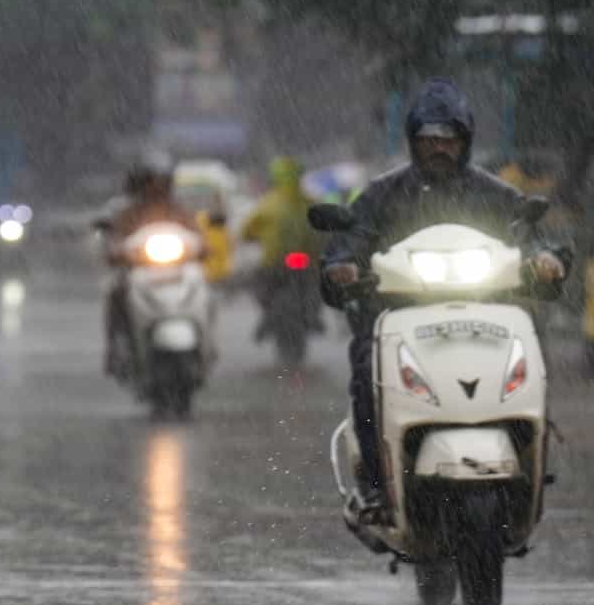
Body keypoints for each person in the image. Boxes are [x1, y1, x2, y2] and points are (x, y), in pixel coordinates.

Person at [320, 78, 569, 517]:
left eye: (448, 139)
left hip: (486, 315)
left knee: (532, 358)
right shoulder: (383, 194)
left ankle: (527, 469)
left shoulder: (493, 193)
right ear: (414, 142)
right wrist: (343, 264)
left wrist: (545, 259)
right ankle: (378, 485)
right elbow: (351, 237)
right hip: (399, 316)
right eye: (429, 139)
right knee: (366, 365)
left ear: (465, 141)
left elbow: (530, 233)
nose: (439, 148)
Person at [99, 151, 198, 375]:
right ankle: (117, 348)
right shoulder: (128, 212)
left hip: (177, 273)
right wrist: (116, 251)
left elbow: (196, 233)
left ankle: (207, 342)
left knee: (205, 290)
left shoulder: (179, 210)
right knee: (115, 293)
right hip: (139, 272)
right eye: (151, 182)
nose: (156, 188)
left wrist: (203, 247)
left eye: (161, 182)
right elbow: (114, 239)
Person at [241, 156, 322, 342]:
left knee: (258, 284)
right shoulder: (311, 203)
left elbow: (247, 231)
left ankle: (267, 316)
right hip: (305, 261)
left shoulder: (267, 204)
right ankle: (313, 316)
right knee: (317, 284)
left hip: (275, 261)